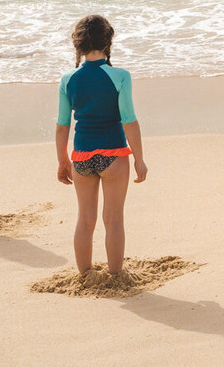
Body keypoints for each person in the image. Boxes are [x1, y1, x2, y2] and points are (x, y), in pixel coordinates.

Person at [54, 14, 148, 276]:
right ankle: (116, 277)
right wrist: (139, 159)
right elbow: (129, 120)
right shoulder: (120, 76)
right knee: (113, 220)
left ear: (79, 44)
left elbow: (63, 126)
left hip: (81, 158)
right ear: (108, 41)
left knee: (85, 220)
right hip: (114, 155)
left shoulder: (68, 79)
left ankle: (85, 276)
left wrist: (63, 161)